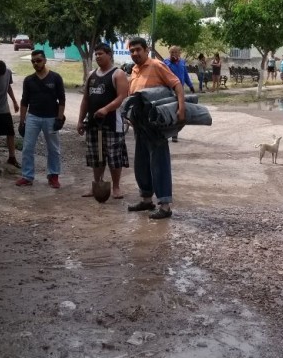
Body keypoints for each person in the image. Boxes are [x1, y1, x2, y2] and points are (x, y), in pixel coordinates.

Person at [126, 37, 185, 220]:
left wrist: (181, 107)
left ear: (146, 49)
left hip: (155, 122)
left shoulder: (157, 65)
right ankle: (146, 199)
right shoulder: (134, 70)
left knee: (159, 162)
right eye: (132, 51)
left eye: (138, 50)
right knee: (141, 163)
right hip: (139, 122)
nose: (135, 53)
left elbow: (176, 84)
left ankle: (165, 206)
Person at [76, 43, 129, 199]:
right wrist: (80, 120)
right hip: (93, 124)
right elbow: (86, 99)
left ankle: (116, 188)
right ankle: (97, 184)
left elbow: (122, 97)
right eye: (96, 54)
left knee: (114, 156)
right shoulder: (92, 75)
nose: (98, 56)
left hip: (113, 124)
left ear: (109, 54)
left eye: (100, 54)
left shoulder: (118, 74)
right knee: (96, 156)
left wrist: (106, 109)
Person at [16, 50, 66, 188]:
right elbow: (24, 101)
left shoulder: (55, 78)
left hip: (51, 118)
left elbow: (61, 99)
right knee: (27, 148)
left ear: (45, 60)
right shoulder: (28, 80)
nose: (36, 63)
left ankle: (53, 175)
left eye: (38, 60)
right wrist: (22, 122)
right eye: (33, 61)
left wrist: (59, 119)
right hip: (33, 117)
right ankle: (27, 176)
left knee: (53, 149)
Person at [163, 46, 195, 142]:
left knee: (179, 110)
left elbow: (185, 75)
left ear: (179, 53)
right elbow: (164, 74)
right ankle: (167, 131)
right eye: (172, 52)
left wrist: (191, 85)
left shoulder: (182, 62)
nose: (174, 54)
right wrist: (171, 63)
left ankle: (175, 133)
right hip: (169, 90)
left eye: (176, 52)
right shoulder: (166, 62)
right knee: (169, 110)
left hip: (180, 90)